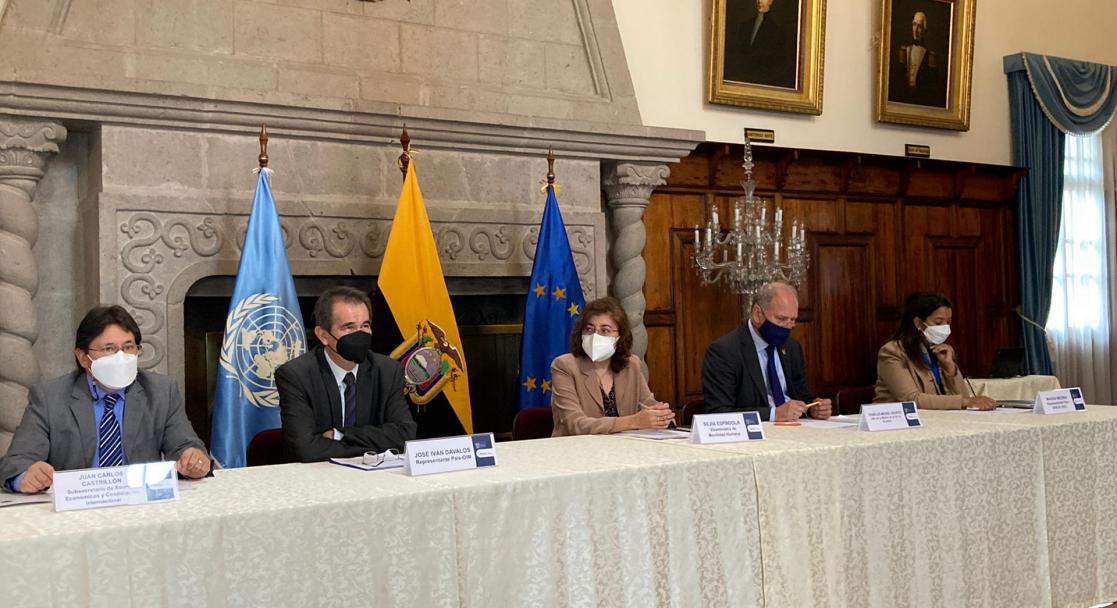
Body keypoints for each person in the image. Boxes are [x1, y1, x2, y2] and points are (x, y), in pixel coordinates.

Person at [0, 306, 210, 494]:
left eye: (128, 347)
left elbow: (185, 446)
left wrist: (193, 459)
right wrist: (26, 477)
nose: (121, 357)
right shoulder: (50, 397)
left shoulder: (161, 391)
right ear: (83, 357)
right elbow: (16, 462)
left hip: (141, 504)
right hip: (76, 508)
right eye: (108, 349)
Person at [276, 286, 416, 462]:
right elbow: (305, 449)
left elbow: (404, 435)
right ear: (323, 335)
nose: (360, 335)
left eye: (365, 326)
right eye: (349, 327)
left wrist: (340, 435)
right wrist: (374, 446)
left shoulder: (388, 371)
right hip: (316, 475)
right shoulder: (296, 375)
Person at [702, 282, 832, 421]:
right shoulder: (725, 351)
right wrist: (774, 414)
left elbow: (801, 395)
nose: (788, 326)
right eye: (782, 319)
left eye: (793, 320)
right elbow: (719, 413)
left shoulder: (792, 347)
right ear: (757, 314)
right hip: (756, 432)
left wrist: (813, 407)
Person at [550, 297, 674, 436]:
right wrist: (634, 421)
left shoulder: (631, 365)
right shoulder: (564, 366)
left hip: (624, 446)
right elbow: (575, 424)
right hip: (578, 446)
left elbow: (648, 404)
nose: (595, 336)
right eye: (589, 329)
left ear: (620, 337)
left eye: (605, 330)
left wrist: (661, 415)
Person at [874, 291, 996, 410]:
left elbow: (964, 396)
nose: (944, 328)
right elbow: (911, 399)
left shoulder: (941, 351)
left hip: (935, 418)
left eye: (948, 322)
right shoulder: (892, 352)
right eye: (938, 322)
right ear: (918, 323)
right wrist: (963, 401)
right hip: (895, 419)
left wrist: (950, 368)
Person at [723, 0, 797, 88]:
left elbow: (778, 64)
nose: (759, 1)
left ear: (771, 1)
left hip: (763, 82)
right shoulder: (745, 26)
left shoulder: (776, 31)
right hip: (741, 80)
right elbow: (737, 54)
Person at [889, 11, 946, 107]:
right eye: (914, 25)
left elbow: (933, 87)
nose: (915, 30)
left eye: (919, 26)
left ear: (924, 29)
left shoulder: (930, 56)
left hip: (921, 101)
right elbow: (898, 80)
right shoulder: (904, 51)